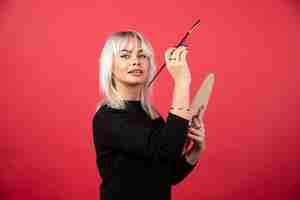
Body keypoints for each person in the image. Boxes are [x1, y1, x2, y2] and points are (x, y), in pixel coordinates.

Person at [92, 31, 205, 200]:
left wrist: (195, 151)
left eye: (142, 55)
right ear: (110, 66)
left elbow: (167, 175)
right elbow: (167, 150)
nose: (135, 61)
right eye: (125, 55)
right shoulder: (108, 117)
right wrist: (182, 81)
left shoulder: (152, 115)